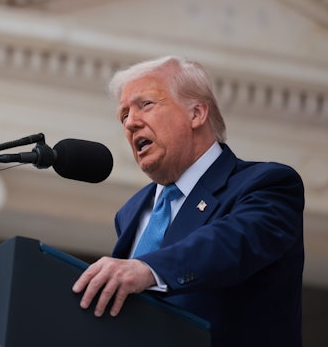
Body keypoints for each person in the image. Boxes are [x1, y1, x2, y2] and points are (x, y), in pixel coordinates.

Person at [71, 55, 304, 346]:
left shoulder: (268, 184)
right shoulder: (131, 212)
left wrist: (148, 269)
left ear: (196, 114)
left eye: (146, 105)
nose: (130, 123)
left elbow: (229, 243)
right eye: (123, 115)